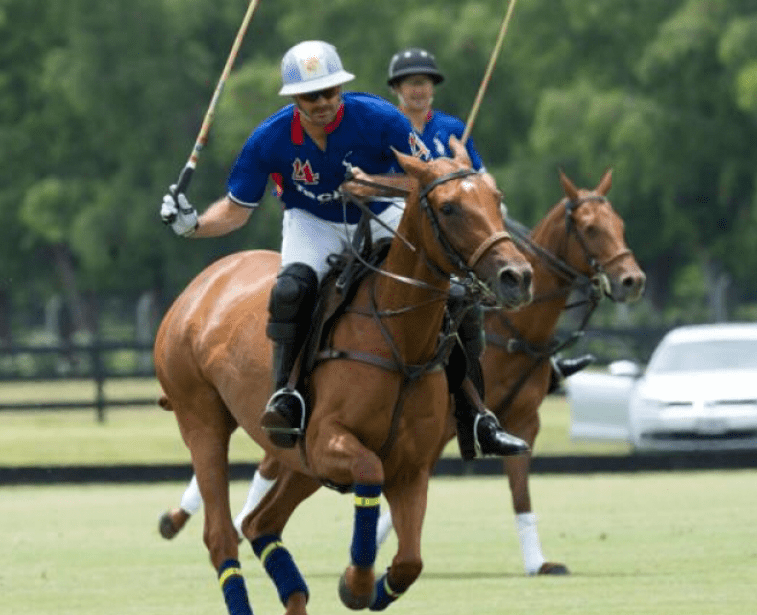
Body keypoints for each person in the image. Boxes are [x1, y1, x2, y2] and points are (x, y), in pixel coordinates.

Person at [159, 39, 425, 449]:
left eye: (329, 91)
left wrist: (376, 185)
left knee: (447, 279)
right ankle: (287, 394)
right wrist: (193, 225)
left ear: (341, 88)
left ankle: (473, 406)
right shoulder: (270, 138)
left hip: (381, 212)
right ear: (294, 98)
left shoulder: (380, 118)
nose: (322, 102)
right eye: (309, 95)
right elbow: (235, 209)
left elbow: (432, 181)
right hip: (312, 222)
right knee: (289, 290)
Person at [385, 47, 530, 459]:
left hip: (448, 230)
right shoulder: (385, 127)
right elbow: (369, 177)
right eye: (411, 82)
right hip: (394, 222)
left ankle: (478, 419)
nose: (420, 89)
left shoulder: (451, 128)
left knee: (465, 307)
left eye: (425, 82)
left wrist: (489, 192)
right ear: (397, 89)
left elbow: (479, 177)